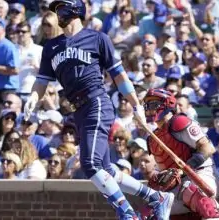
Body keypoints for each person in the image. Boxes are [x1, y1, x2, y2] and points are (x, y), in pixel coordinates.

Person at [23, 0, 173, 219]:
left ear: (76, 11)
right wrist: (33, 97)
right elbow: (42, 81)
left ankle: (127, 214)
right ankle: (155, 197)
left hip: (97, 102)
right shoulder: (51, 47)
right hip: (78, 111)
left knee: (90, 163)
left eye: (62, 8)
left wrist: (136, 104)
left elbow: (119, 76)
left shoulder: (97, 38)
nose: (57, 13)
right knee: (107, 169)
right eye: (56, 10)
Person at [140, 88, 219, 220]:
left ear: (167, 104)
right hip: (177, 183)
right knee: (152, 210)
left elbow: (208, 148)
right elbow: (166, 170)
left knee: (190, 189)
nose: (149, 109)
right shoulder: (152, 139)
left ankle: (215, 217)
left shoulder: (179, 122)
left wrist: (183, 169)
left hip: (201, 174)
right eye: (147, 105)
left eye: (153, 104)